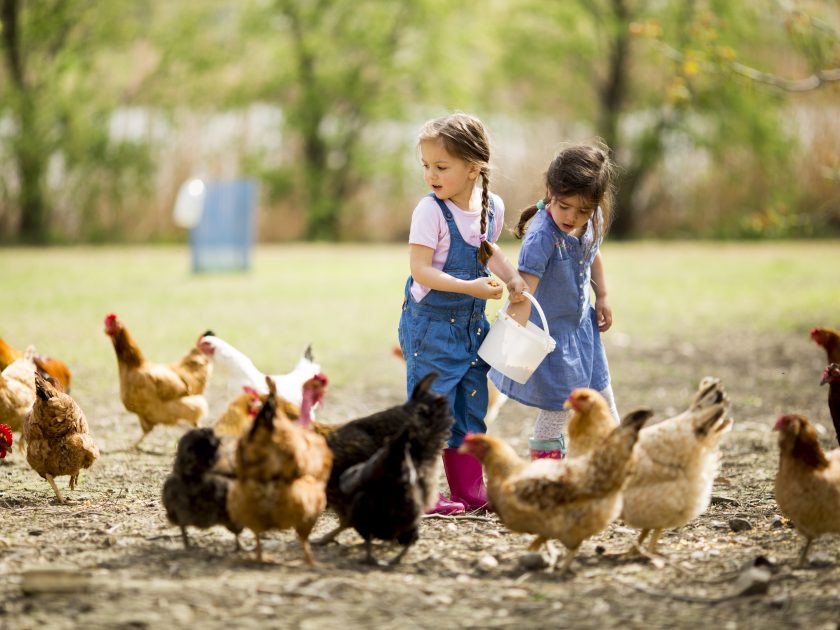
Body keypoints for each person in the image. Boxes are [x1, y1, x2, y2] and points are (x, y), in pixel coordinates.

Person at [398, 113, 527, 514]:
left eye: (441, 167)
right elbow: (421, 271)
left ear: (474, 168)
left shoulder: (492, 207)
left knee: (470, 406)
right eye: (426, 166)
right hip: (430, 327)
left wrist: (511, 278)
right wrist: (471, 286)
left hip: (472, 327)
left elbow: (487, 250)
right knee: (431, 412)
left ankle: (469, 490)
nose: (430, 176)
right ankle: (422, 492)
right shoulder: (430, 212)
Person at [490, 141, 620, 460]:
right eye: (564, 207)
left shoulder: (591, 222)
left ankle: (618, 465)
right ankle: (546, 476)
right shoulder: (541, 238)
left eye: (583, 210)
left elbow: (593, 255)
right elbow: (524, 295)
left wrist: (601, 295)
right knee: (556, 413)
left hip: (583, 332)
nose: (573, 217)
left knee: (604, 402)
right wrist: (506, 346)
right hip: (552, 342)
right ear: (551, 191)